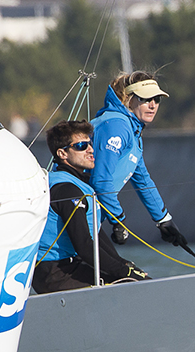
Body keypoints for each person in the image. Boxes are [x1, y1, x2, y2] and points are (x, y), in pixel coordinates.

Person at [32, 121, 148, 294]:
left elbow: (96, 236)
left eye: (90, 144)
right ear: (62, 153)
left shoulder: (77, 185)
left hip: (70, 265)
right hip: (55, 274)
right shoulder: (67, 190)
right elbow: (84, 245)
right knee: (133, 284)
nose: (91, 150)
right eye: (81, 146)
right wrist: (124, 272)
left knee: (138, 279)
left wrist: (124, 265)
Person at [91, 70, 189, 251]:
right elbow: (100, 180)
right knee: (118, 267)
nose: (152, 105)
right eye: (145, 99)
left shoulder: (132, 130)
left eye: (156, 100)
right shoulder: (117, 125)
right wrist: (118, 220)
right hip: (71, 214)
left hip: (89, 218)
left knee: (118, 266)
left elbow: (142, 179)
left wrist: (164, 220)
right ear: (129, 99)